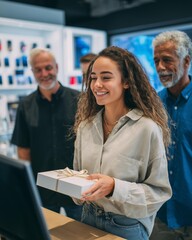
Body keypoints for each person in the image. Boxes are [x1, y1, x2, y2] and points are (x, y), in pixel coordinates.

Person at [72, 46, 172, 240]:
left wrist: (114, 187)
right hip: (87, 217)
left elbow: (159, 193)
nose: (97, 85)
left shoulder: (146, 129)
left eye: (106, 77)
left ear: (126, 82)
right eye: (93, 78)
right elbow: (79, 176)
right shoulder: (85, 127)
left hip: (127, 226)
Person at [11, 48, 82, 221]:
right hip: (42, 189)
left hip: (76, 187)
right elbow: (23, 150)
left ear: (56, 67)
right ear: (33, 72)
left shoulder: (80, 100)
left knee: (82, 234)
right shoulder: (25, 105)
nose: (44, 73)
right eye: (38, 69)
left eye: (48, 68)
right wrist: (25, 186)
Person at [150, 31, 192, 240]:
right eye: (156, 60)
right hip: (162, 213)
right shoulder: (153, 105)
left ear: (186, 61)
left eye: (167, 60)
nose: (160, 67)